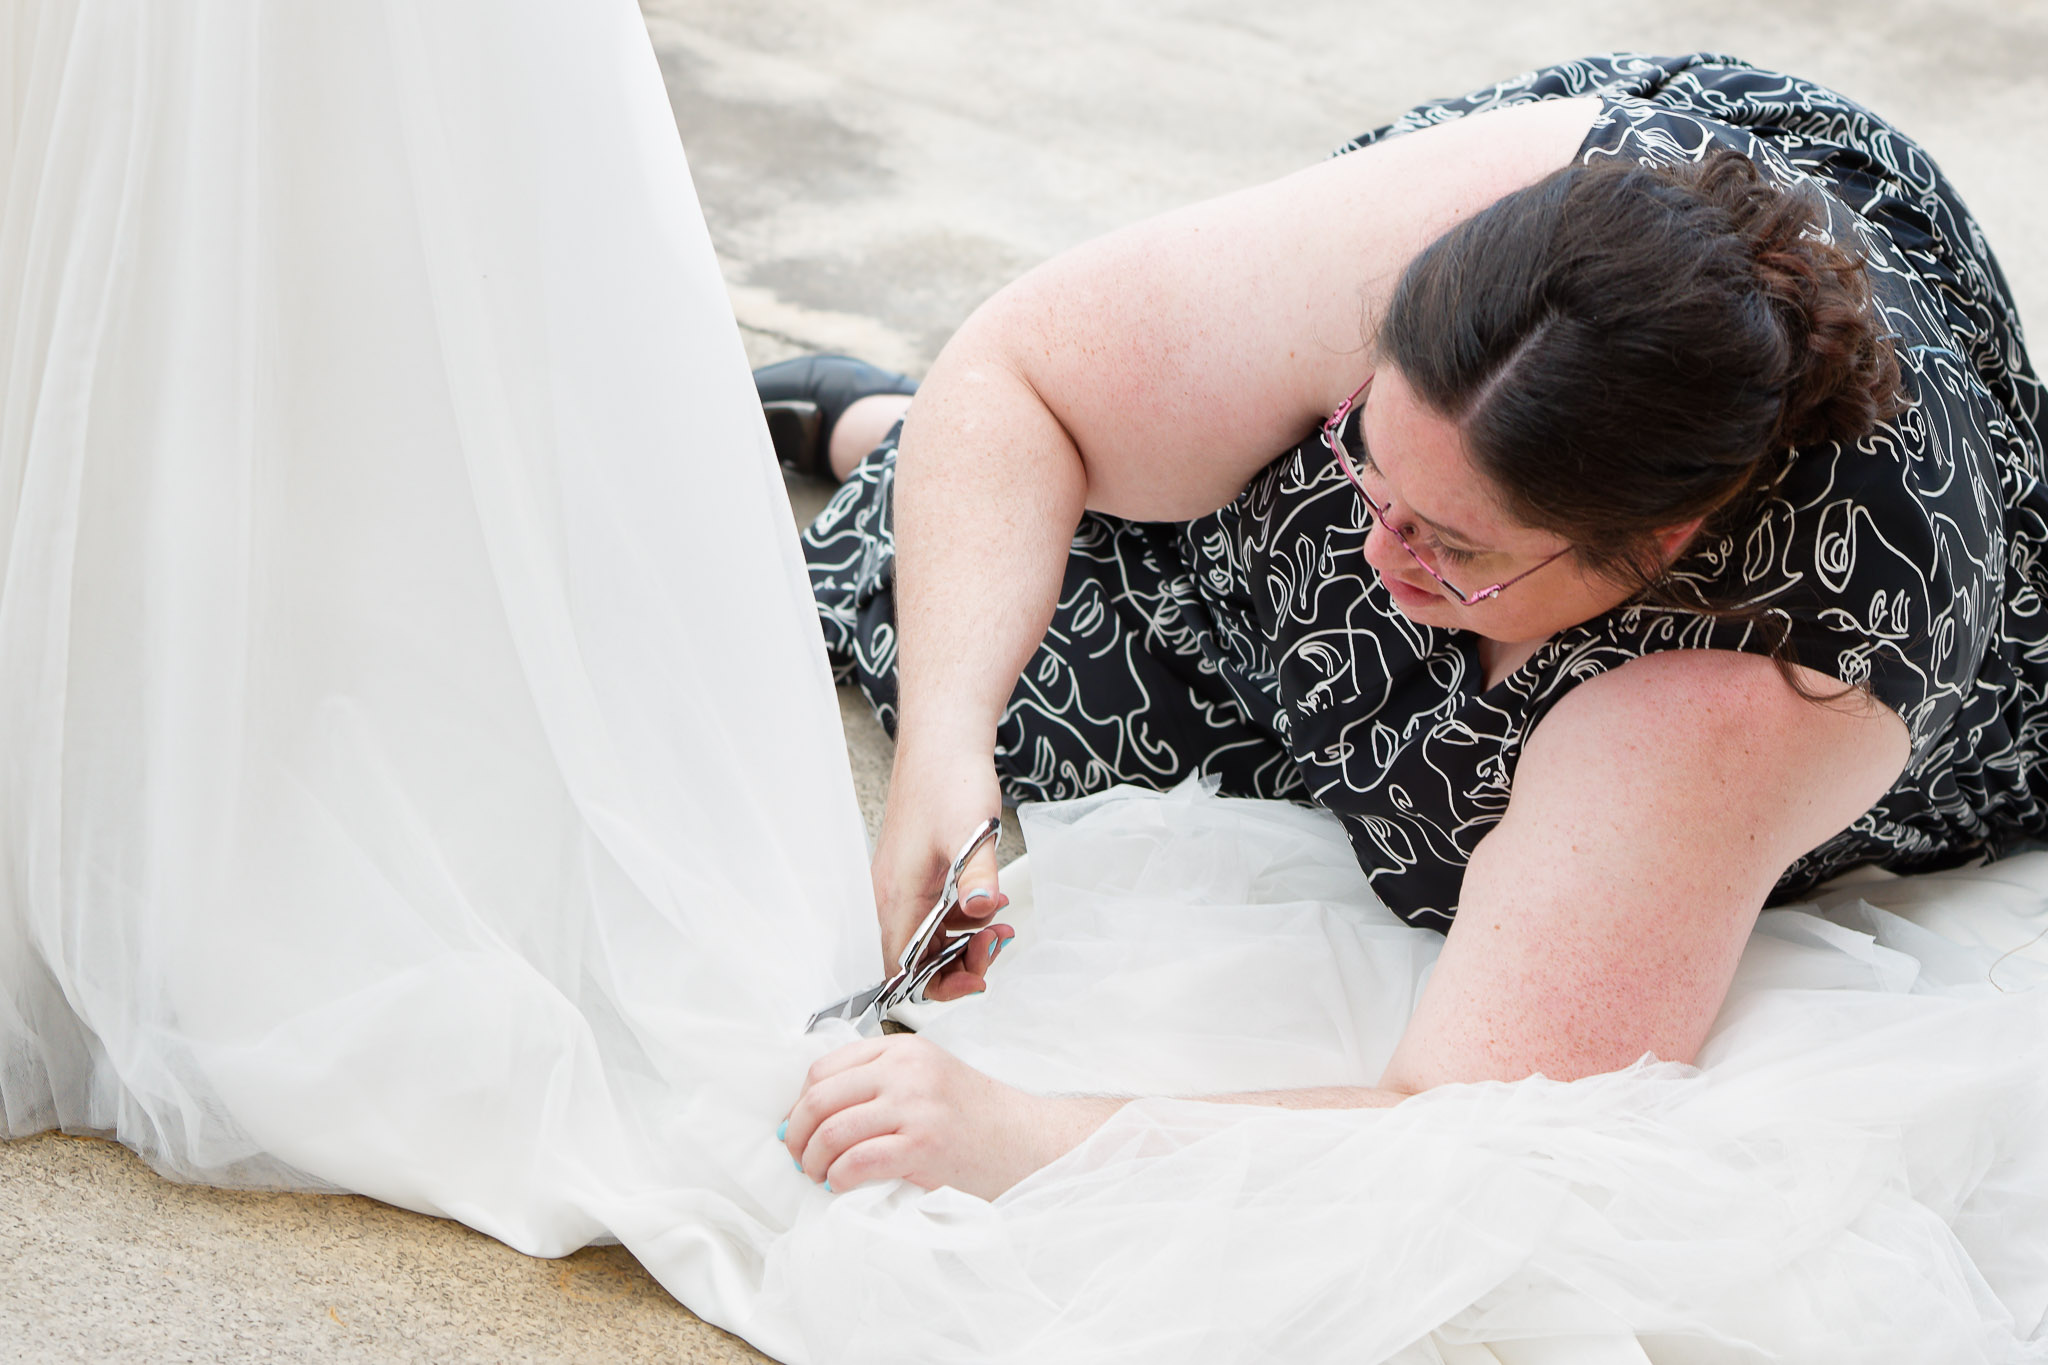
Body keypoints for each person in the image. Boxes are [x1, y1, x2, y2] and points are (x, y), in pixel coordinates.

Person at [773, 54, 2048, 1198]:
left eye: (1452, 545)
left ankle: (885, 435)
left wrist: (1017, 1136)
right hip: (1572, 393)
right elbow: (1022, 374)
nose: (1374, 547)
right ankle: (891, 426)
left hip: (1796, 674)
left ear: (1648, 554)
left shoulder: (1775, 676)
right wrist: (948, 740)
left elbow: (1474, 1115)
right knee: (1007, 575)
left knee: (1137, 752)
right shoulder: (1476, 242)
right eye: (1365, 460)